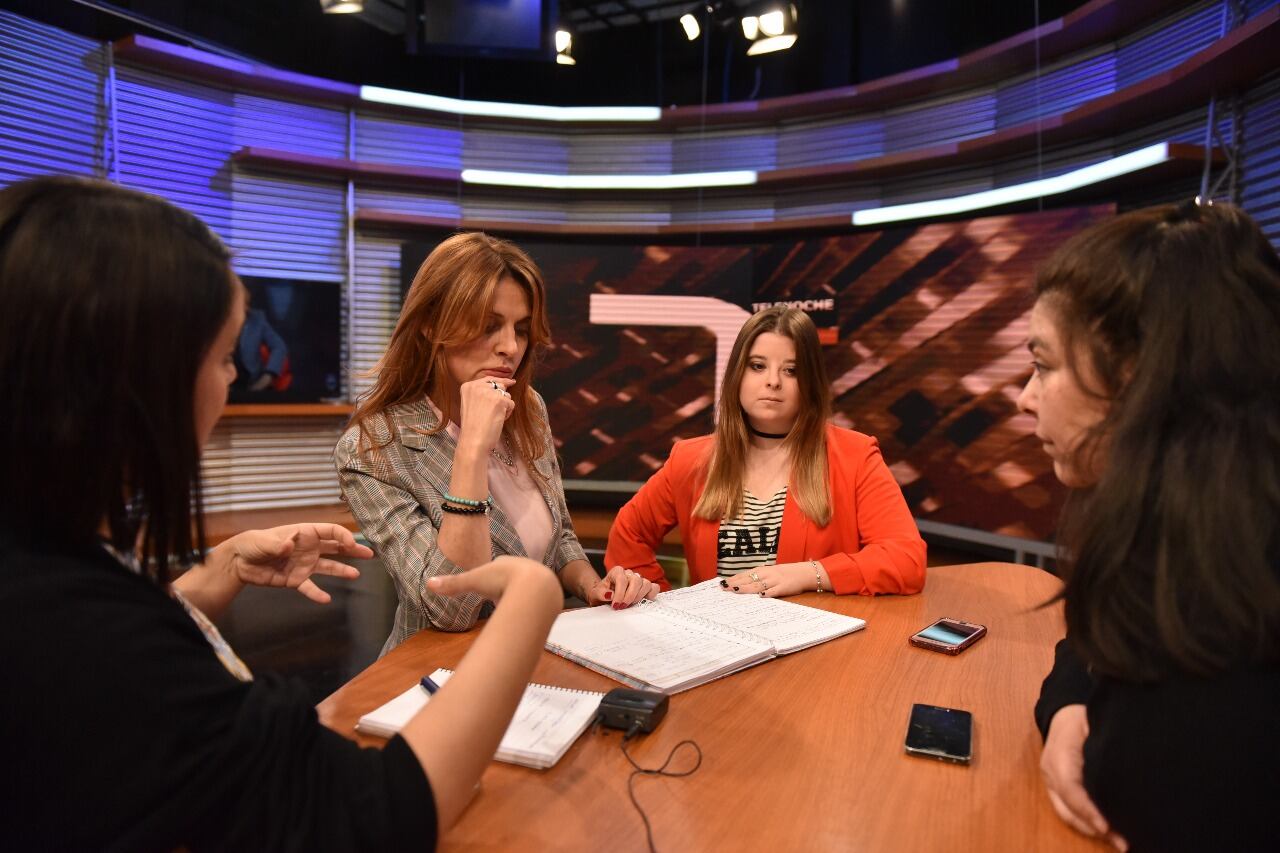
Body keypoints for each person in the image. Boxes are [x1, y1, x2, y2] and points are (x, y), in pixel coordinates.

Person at [0, 176, 564, 850]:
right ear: (136, 384)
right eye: (221, 357)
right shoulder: (376, 442)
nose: (235, 378)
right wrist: (533, 596)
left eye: (521, 330)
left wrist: (221, 566)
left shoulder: (52, 558)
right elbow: (370, 812)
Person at [1021, 200, 1280, 852]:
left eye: (1044, 365)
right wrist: (1067, 709)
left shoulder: (1228, 651)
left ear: (1137, 374)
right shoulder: (1174, 542)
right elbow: (1086, 645)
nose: (1024, 396)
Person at [335, 232, 655, 652]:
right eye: (489, 326)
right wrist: (471, 450)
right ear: (433, 324)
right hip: (437, 673)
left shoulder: (528, 408)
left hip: (539, 653)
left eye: (521, 330)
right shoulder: (373, 447)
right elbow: (452, 606)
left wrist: (594, 587)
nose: (510, 347)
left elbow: (558, 541)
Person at [606, 306, 926, 597]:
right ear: (737, 376)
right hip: (719, 647)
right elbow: (628, 534)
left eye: (791, 371)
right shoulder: (690, 459)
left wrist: (809, 574)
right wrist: (665, 606)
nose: (773, 381)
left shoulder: (856, 455)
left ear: (810, 384)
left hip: (815, 646)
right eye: (757, 366)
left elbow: (906, 559)